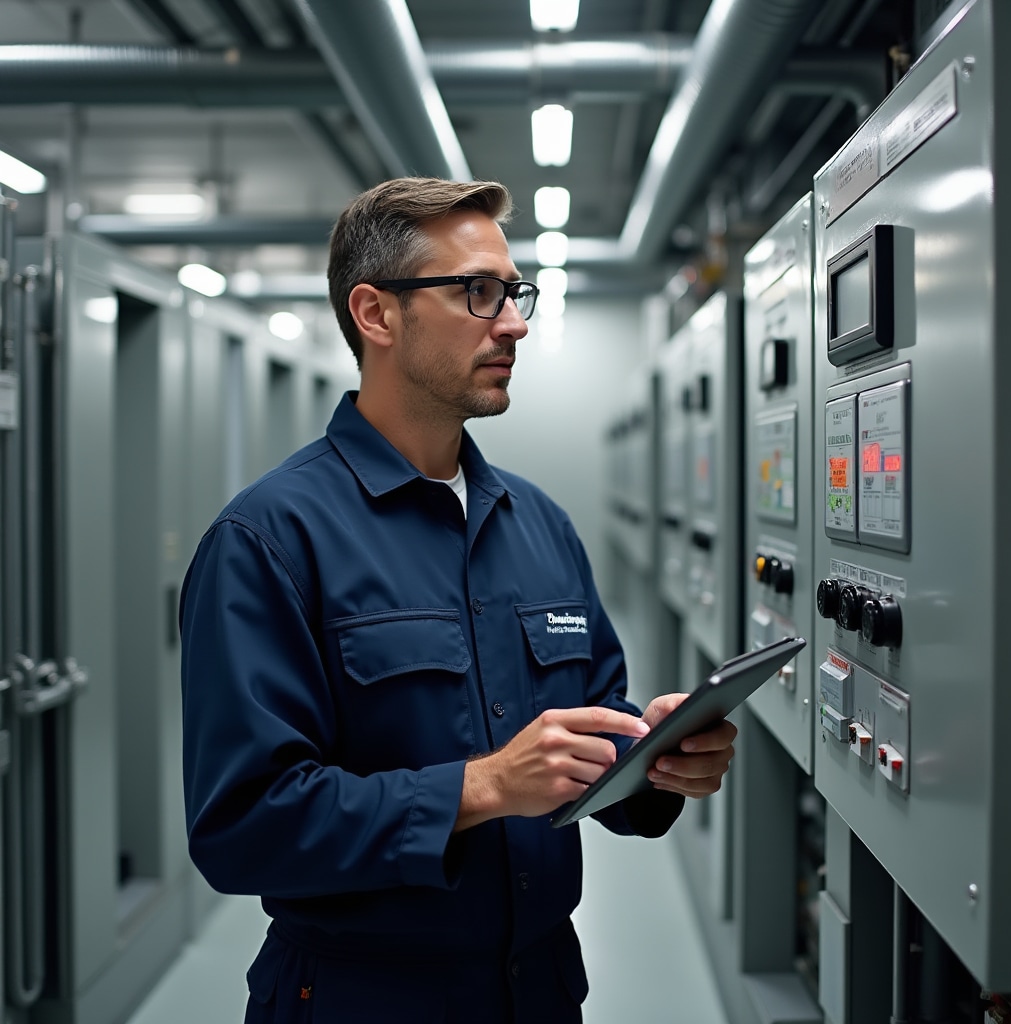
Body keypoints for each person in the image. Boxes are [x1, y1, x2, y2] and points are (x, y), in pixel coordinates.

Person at [179, 176, 738, 1024]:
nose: (512, 323)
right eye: (477, 293)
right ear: (376, 315)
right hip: (364, 999)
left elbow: (590, 726)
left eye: (515, 295)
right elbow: (244, 827)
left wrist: (651, 761)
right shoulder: (268, 540)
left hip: (541, 989)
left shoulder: (539, 524)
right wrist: (481, 788)